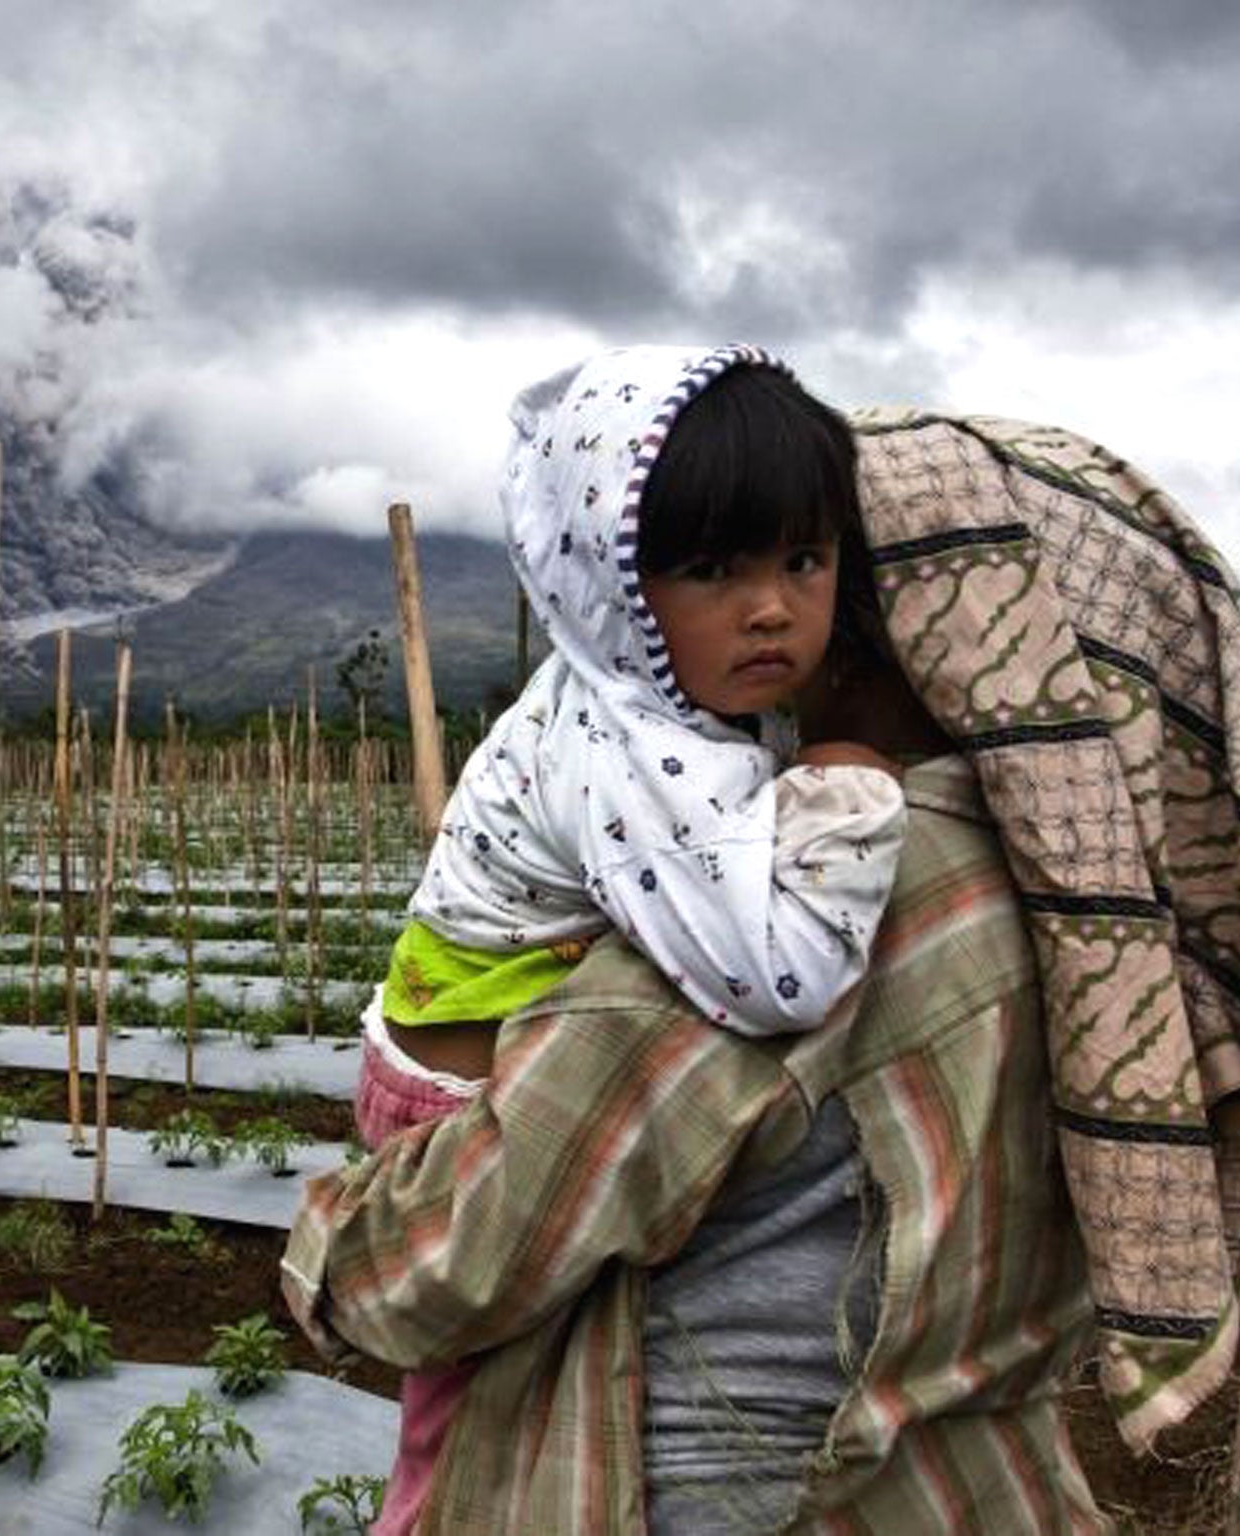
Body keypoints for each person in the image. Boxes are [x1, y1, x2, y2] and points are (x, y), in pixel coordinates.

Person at [286, 403, 1240, 1532]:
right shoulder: (1113, 917)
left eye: (815, 566)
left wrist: (323, 1263)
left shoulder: (798, 897)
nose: (784, 618)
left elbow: (442, 1263)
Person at [355, 345, 908, 1535]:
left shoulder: (665, 697)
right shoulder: (639, 747)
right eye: (711, 569)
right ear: (608, 579)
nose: (770, 607)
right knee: (476, 1406)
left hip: (479, 1043)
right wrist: (848, 785)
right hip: (456, 1106)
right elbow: (777, 975)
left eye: (803, 560)